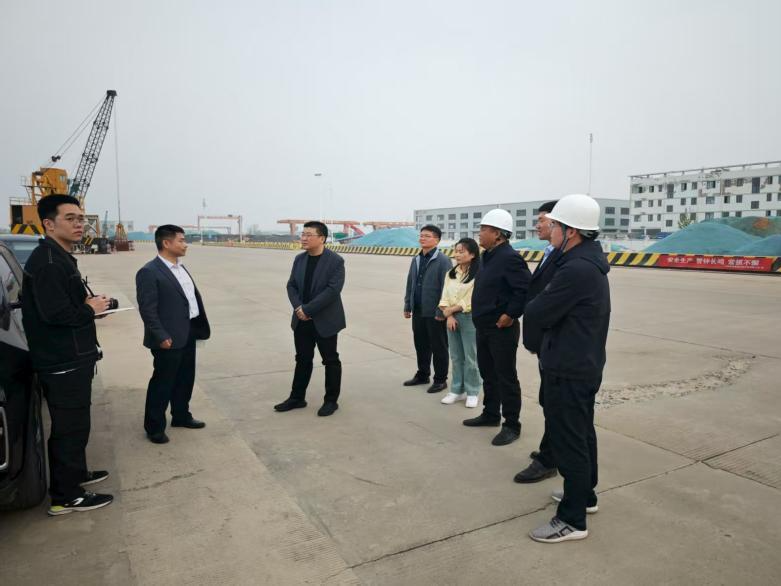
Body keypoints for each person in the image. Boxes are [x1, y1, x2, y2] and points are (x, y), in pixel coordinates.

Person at [525, 194, 611, 543]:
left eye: (555, 225)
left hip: (569, 366)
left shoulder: (575, 269)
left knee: (569, 440)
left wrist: (538, 309)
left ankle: (572, 519)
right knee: (582, 433)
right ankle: (584, 495)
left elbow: (537, 311)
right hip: (582, 362)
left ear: (571, 231)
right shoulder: (586, 260)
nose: (551, 230)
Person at [21, 194, 113, 515]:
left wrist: (91, 307)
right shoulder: (48, 263)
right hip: (62, 360)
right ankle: (66, 496)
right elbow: (56, 314)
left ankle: (75, 474)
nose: (79, 224)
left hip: (72, 356)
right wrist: (89, 309)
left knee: (76, 424)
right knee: (69, 428)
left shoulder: (58, 256)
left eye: (81, 218)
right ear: (49, 224)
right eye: (70, 218)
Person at [136, 225, 211, 444]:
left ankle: (181, 415)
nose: (185, 244)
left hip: (188, 331)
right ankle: (154, 427)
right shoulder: (149, 272)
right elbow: (147, 309)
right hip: (167, 337)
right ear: (166, 243)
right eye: (181, 240)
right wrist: (160, 335)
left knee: (185, 378)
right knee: (163, 382)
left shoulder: (181, 268)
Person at [463, 209, 531, 446]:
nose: (480, 233)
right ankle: (490, 413)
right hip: (483, 325)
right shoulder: (487, 256)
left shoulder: (510, 258)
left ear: (499, 234)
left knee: (506, 377)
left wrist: (510, 314)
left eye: (484, 229)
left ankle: (511, 424)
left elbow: (524, 289)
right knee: (488, 373)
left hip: (501, 328)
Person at [275, 221, 346, 417]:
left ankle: (331, 401)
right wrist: (298, 308)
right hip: (301, 320)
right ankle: (297, 397)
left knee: (330, 360)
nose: (304, 238)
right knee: (302, 359)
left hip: (325, 320)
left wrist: (307, 309)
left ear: (321, 238)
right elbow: (291, 285)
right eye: (303, 234)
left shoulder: (335, 261)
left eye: (308, 235)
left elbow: (333, 290)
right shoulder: (299, 259)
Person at [514, 201, 561, 483]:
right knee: (548, 399)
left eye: (542, 220)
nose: (538, 225)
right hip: (545, 342)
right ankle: (549, 449)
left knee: (554, 402)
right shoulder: (549, 251)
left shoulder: (567, 259)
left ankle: (549, 458)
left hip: (556, 344)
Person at [402, 225, 452, 394]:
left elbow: (447, 288)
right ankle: (423, 374)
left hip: (435, 313)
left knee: (439, 347)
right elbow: (410, 283)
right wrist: (408, 305)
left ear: (437, 240)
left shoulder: (443, 260)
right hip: (418, 310)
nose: (422, 238)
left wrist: (441, 310)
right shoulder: (416, 259)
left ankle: (440, 380)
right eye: (421, 235)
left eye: (427, 236)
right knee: (421, 344)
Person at [438, 238, 481, 408]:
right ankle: (456, 390)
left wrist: (451, 310)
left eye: (461, 251)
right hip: (451, 318)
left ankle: (472, 391)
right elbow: (444, 296)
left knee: (471, 357)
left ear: (472, 254)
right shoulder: (451, 273)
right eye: (456, 251)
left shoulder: (479, 273)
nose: (457, 254)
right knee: (456, 356)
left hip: (469, 317)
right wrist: (448, 315)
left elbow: (472, 298)